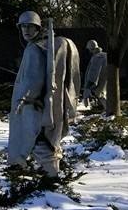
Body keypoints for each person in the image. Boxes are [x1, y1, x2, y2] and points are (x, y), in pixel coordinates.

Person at [7, 11, 80, 179]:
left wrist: (23, 97)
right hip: (48, 103)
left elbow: (34, 78)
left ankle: (51, 179)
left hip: (33, 105)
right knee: (46, 139)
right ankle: (50, 174)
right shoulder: (47, 46)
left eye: (30, 26)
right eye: (23, 26)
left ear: (38, 28)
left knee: (37, 140)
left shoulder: (34, 49)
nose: (26, 30)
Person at [81, 40, 108, 107]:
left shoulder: (97, 57)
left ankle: (109, 112)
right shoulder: (105, 55)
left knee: (100, 95)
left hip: (101, 83)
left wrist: (86, 94)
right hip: (108, 81)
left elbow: (93, 75)